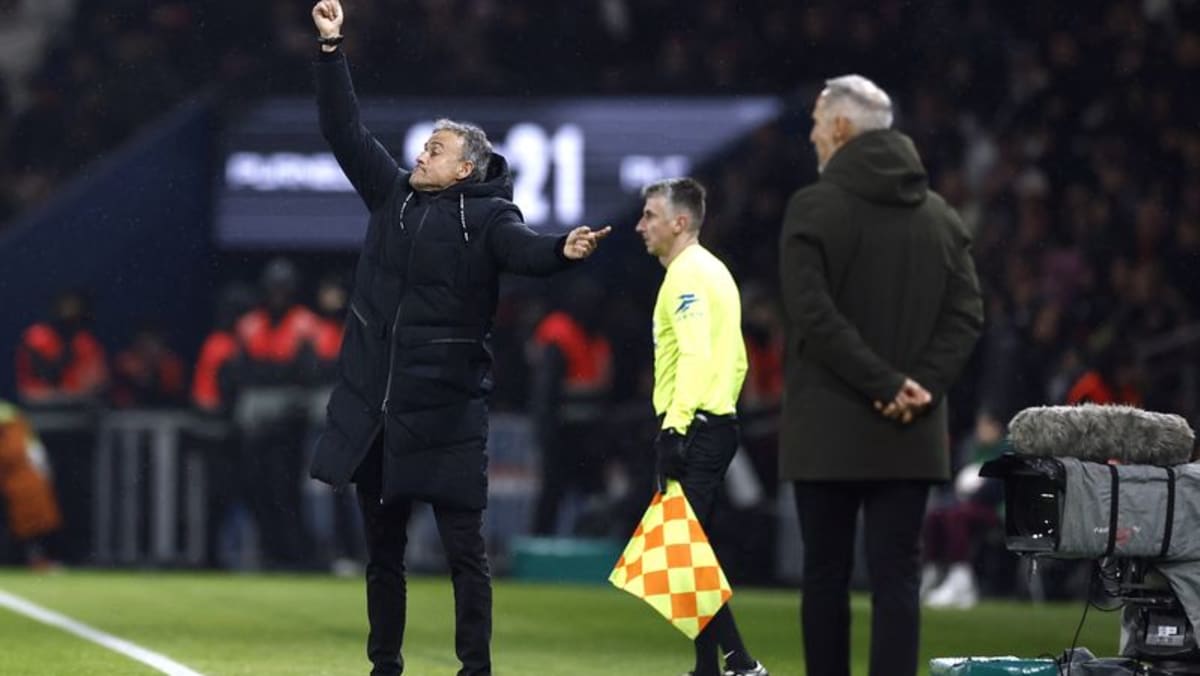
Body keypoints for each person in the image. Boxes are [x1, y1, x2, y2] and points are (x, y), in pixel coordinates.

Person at [306, 2, 610, 674]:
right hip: (380, 415)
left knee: (465, 557)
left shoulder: (492, 219)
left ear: (465, 169)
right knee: (383, 557)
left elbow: (527, 250)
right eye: (425, 146)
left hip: (446, 416)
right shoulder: (391, 195)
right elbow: (342, 128)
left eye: (436, 149)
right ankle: (385, 667)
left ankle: (476, 669)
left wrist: (563, 249)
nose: (421, 153)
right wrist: (331, 50)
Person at [777, 75, 983, 676]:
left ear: (841, 127)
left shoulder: (813, 207)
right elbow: (967, 315)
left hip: (829, 427)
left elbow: (812, 314)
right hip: (910, 430)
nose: (812, 136)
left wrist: (883, 383)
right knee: (899, 578)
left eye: (817, 123)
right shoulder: (941, 217)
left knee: (826, 575)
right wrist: (919, 386)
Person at [636, 177, 768, 676]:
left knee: (683, 555)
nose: (641, 225)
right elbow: (735, 361)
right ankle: (708, 667)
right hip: (713, 422)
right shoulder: (716, 272)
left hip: (692, 427)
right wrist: (720, 410)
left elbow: (693, 354)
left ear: (679, 222)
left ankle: (741, 664)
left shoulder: (686, 277)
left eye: (650, 215)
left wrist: (676, 428)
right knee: (690, 554)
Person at [528, 278, 613, 535]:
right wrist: (545, 432)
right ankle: (541, 544)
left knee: (595, 495)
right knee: (553, 491)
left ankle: (591, 539)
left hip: (590, 433)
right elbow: (546, 392)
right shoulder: (560, 335)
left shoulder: (596, 339)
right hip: (561, 431)